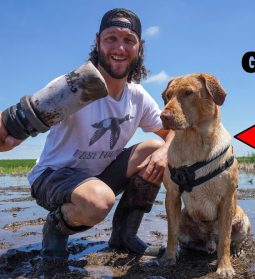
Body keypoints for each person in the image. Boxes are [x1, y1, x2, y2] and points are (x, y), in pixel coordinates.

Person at [0, 8, 174, 260]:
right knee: (98, 201)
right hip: (52, 176)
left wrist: (166, 153)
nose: (120, 48)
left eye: (128, 40)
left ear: (139, 48)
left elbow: (172, 133)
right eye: (111, 38)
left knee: (154, 149)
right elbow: (14, 127)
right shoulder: (73, 87)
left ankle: (124, 235)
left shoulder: (137, 96)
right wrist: (9, 130)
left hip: (96, 177)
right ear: (98, 42)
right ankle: (56, 228)